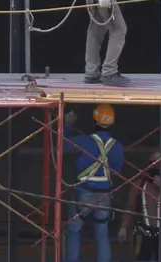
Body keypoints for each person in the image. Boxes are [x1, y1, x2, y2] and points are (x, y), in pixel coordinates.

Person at [64, 104, 124, 262]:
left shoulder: (85, 141)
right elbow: (116, 170)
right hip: (104, 195)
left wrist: (68, 124)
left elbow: (62, 145)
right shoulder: (117, 146)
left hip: (84, 193)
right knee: (102, 233)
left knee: (74, 231)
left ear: (94, 122)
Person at [118, 151, 161, 261]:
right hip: (143, 232)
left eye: (159, 165)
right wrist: (124, 226)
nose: (156, 168)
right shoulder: (139, 185)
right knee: (142, 258)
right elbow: (130, 206)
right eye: (153, 164)